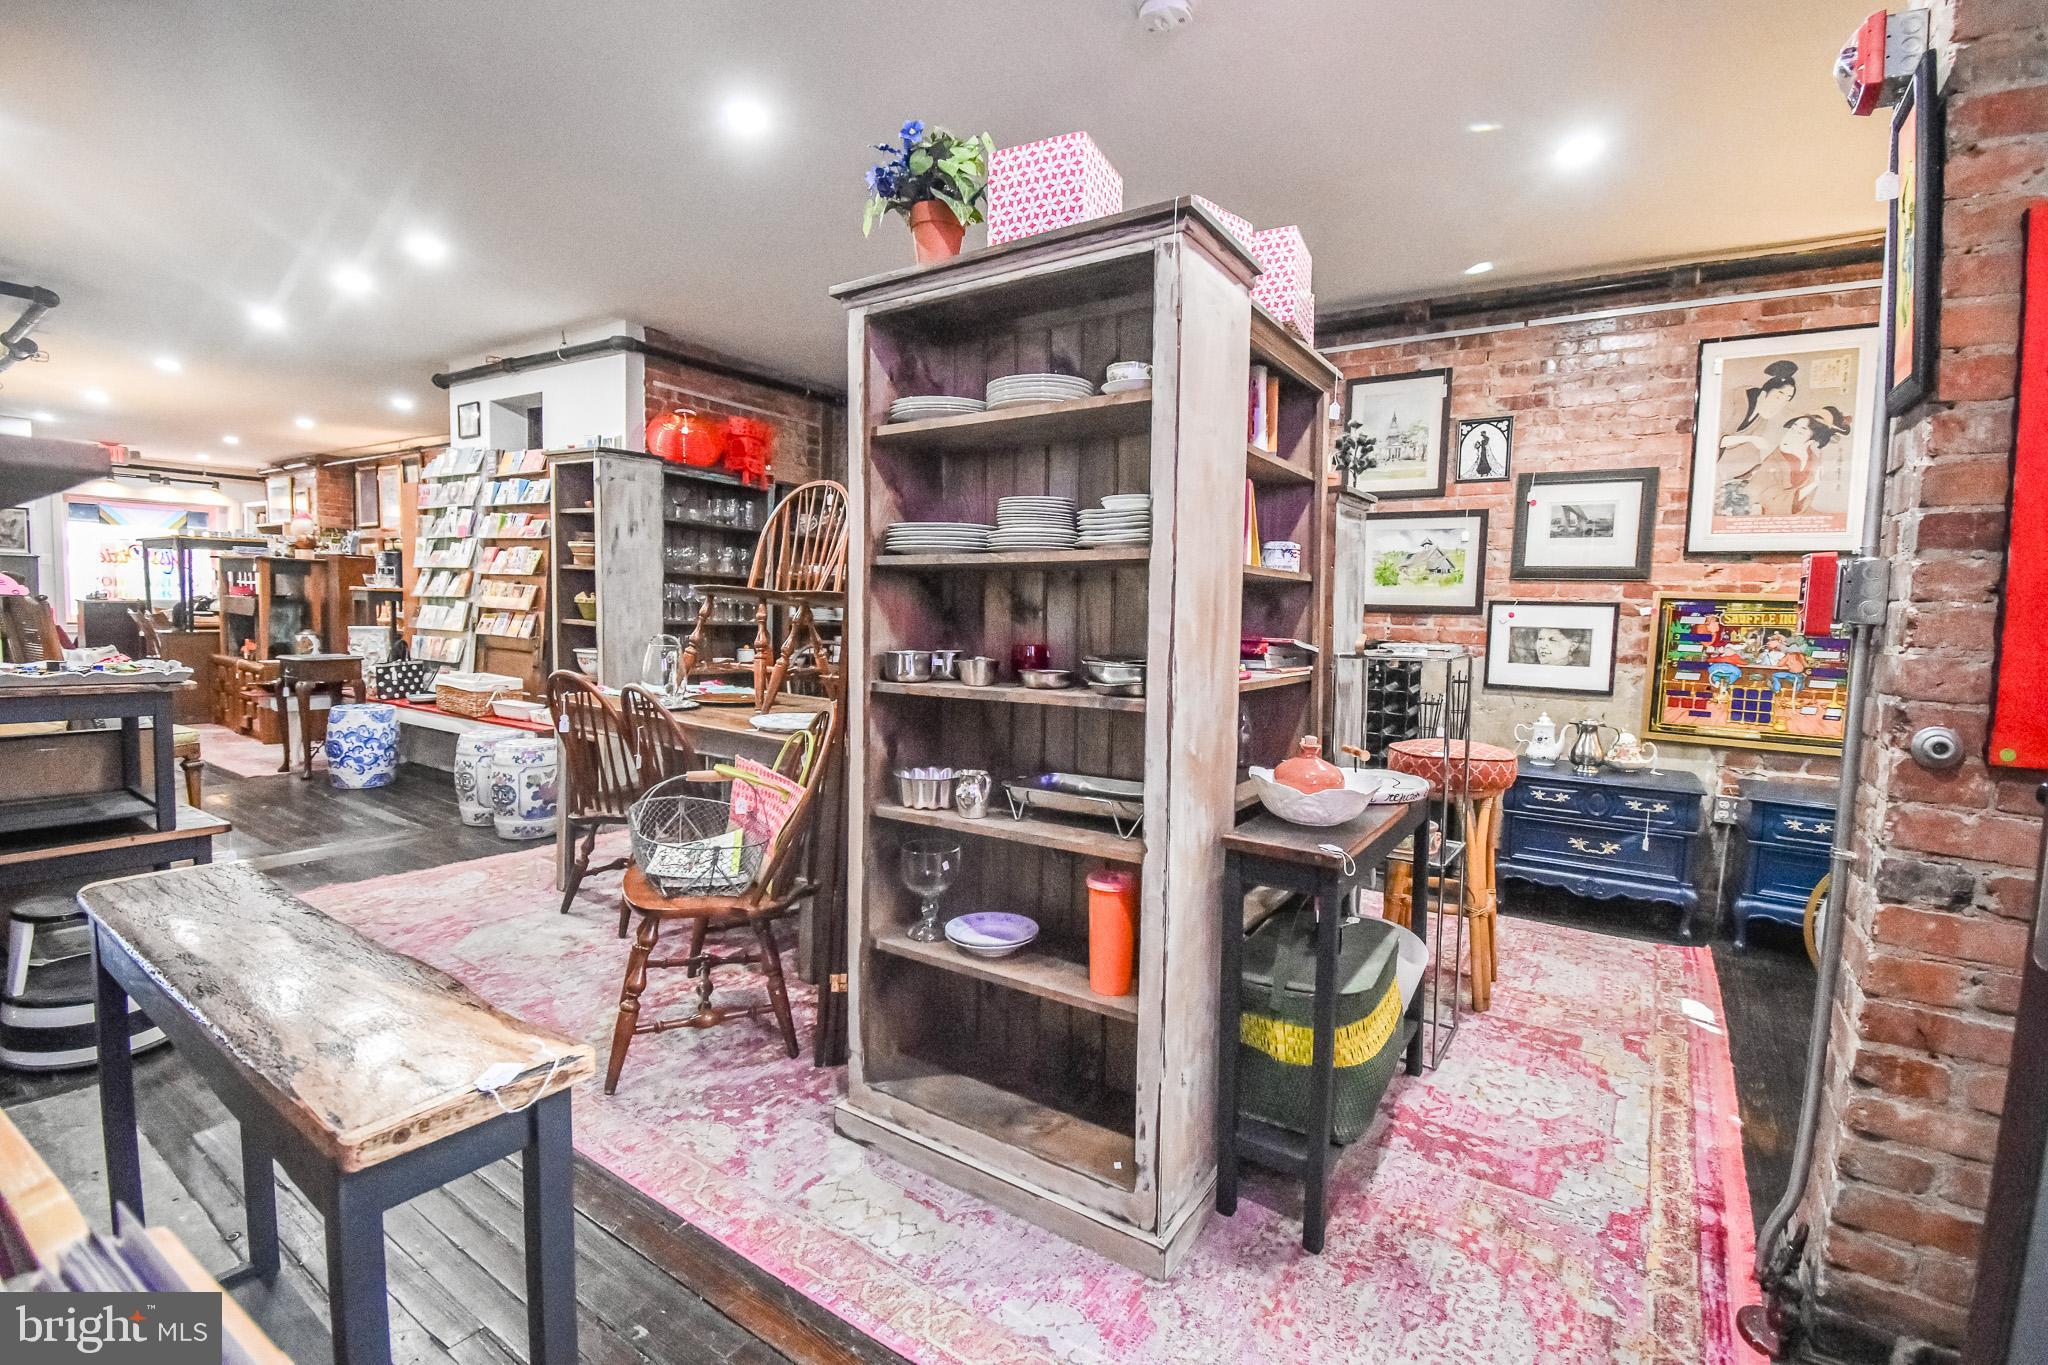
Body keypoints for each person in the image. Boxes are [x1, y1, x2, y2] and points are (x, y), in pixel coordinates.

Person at [1748, 407, 1851, 517]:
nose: (1791, 434)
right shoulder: (1773, 461)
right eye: (1793, 428)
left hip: (1798, 513)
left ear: (1813, 439)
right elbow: (1769, 504)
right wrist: (1812, 485)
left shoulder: (1814, 461)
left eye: (1801, 431)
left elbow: (1805, 503)